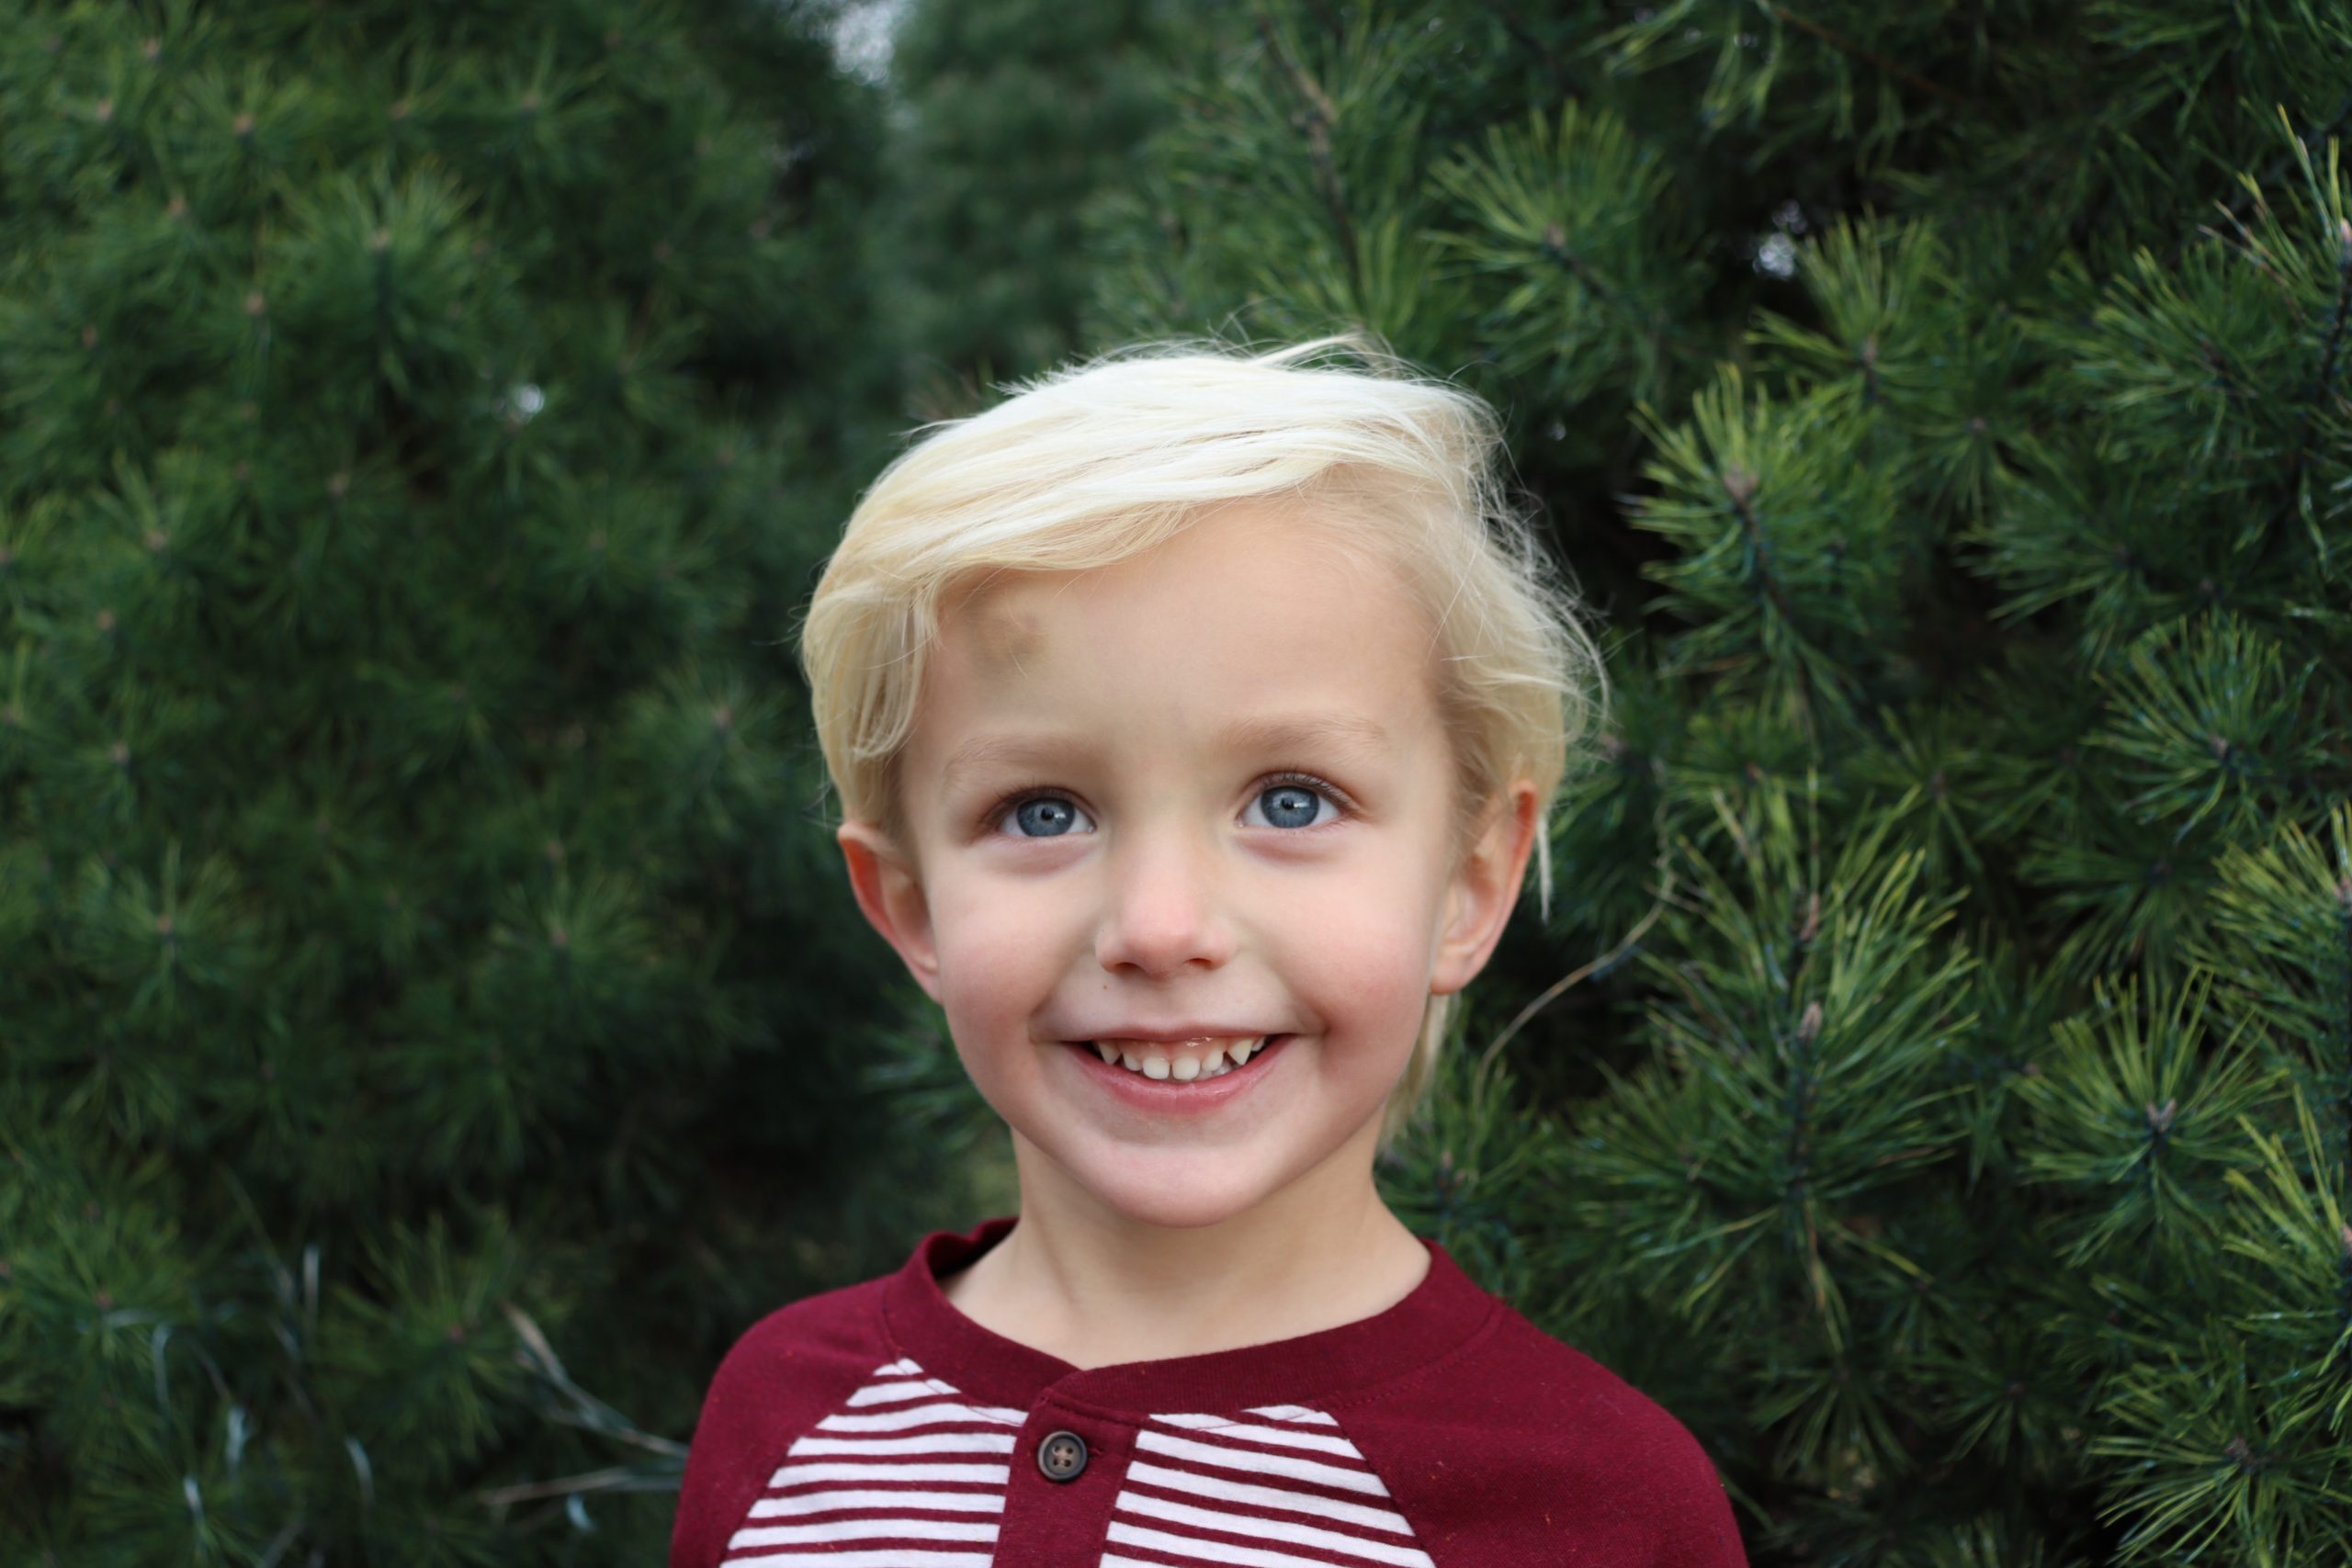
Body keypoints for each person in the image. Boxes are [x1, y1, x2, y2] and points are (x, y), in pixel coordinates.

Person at [669, 336, 1747, 1566]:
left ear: (1468, 882)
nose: (1161, 927)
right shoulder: (786, 1421)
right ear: (911, 909)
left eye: (1292, 801)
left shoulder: (1600, 1509)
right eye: (1043, 813)